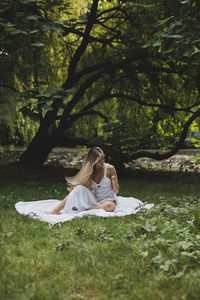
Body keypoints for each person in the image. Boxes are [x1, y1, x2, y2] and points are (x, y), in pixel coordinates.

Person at [49, 146, 119, 215]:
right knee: (78, 188)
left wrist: (114, 181)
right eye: (99, 161)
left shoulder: (110, 168)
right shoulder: (90, 172)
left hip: (109, 201)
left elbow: (116, 191)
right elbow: (86, 188)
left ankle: (85, 210)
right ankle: (56, 210)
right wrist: (75, 191)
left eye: (103, 158)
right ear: (93, 162)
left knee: (109, 206)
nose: (102, 162)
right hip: (95, 201)